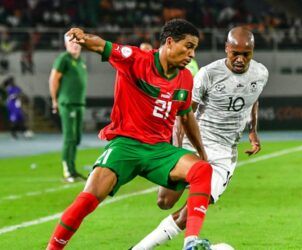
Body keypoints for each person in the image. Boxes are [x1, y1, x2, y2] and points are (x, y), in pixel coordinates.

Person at [46, 19, 214, 250]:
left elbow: (186, 117)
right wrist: (82, 37)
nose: (192, 54)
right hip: (125, 144)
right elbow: (101, 45)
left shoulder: (185, 78)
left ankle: (191, 242)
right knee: (88, 200)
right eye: (188, 46)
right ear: (169, 42)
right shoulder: (135, 59)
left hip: (159, 150)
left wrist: (202, 153)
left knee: (202, 170)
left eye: (194, 48)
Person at [131, 26, 269, 250]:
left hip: (224, 154)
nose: (241, 59)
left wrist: (253, 131)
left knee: (190, 213)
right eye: (236, 53)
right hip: (195, 144)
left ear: (253, 51)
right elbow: (184, 114)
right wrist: (175, 150)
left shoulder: (261, 73)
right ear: (226, 49)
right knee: (164, 202)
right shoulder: (208, 74)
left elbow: (253, 100)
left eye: (247, 54)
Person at [49, 34, 88, 183]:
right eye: (71, 42)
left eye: (77, 41)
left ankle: (73, 169)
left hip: (79, 104)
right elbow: (53, 78)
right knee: (69, 137)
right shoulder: (64, 58)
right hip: (68, 103)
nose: (74, 44)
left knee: (77, 138)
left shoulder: (80, 61)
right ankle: (67, 170)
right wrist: (54, 100)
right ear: (65, 44)